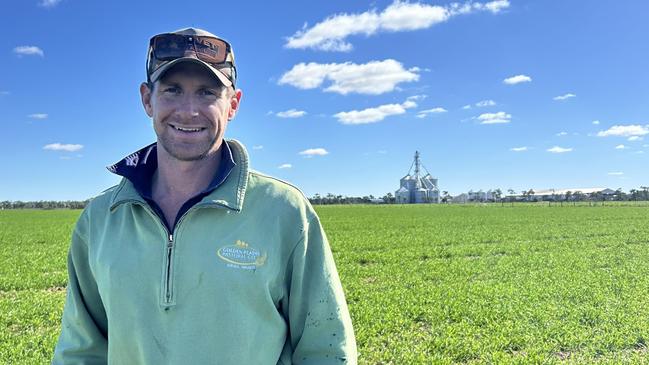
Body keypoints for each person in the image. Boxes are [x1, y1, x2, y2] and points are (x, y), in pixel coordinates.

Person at [53, 27, 357, 364]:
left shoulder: (285, 212)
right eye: (172, 90)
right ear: (146, 99)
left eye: (207, 92)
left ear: (233, 104)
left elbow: (326, 348)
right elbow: (81, 350)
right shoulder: (101, 219)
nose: (188, 110)